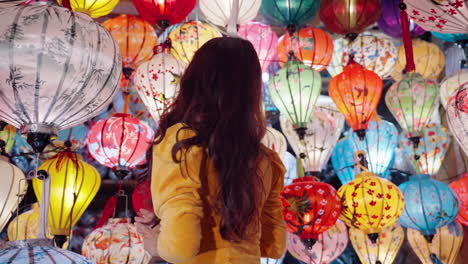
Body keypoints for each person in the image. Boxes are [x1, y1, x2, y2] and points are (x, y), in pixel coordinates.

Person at [135, 37, 286, 264]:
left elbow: (180, 248)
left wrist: (155, 244)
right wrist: (167, 222)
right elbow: (272, 244)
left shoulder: (182, 142)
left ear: (195, 80)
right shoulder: (266, 159)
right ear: (251, 91)